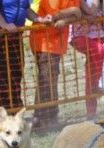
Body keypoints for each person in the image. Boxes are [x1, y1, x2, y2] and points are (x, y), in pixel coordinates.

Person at [30, 0, 81, 129]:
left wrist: (67, 18)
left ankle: (49, 117)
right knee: (46, 79)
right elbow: (52, 17)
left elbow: (78, 14)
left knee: (51, 78)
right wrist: (71, 12)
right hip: (44, 39)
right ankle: (41, 118)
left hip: (57, 41)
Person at [71, 0, 104, 119]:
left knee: (91, 75)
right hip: (80, 35)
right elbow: (90, 11)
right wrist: (90, 16)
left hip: (100, 33)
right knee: (100, 50)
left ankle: (91, 113)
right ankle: (95, 87)